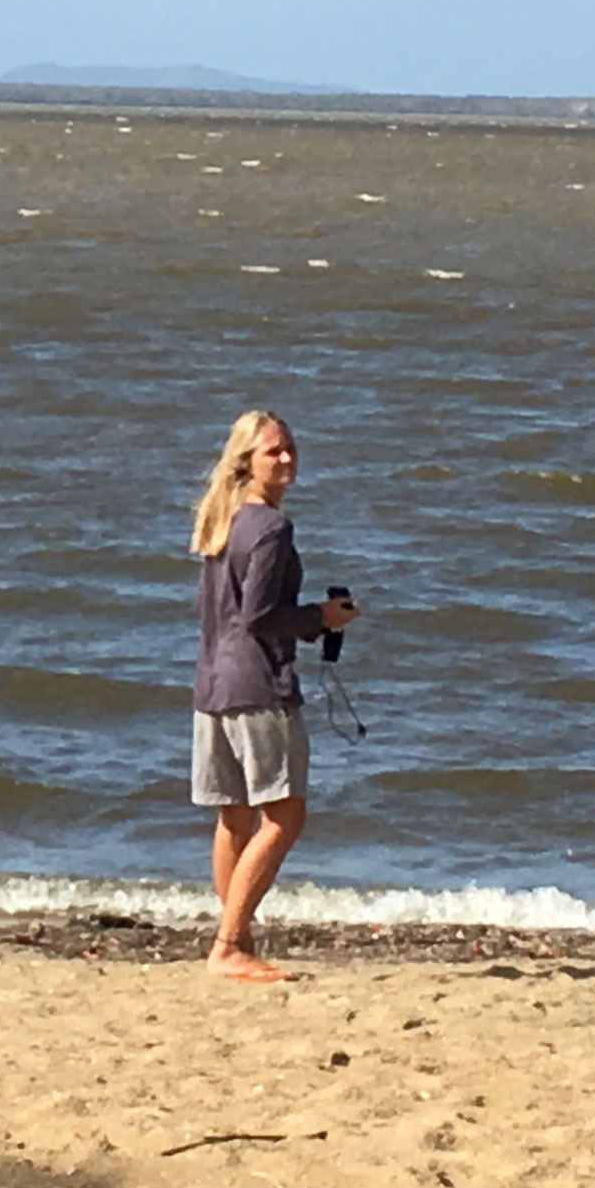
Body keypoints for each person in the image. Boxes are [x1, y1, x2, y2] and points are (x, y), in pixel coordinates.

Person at [188, 408, 355, 983]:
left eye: (290, 448)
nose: (286, 458)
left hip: (213, 683)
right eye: (273, 451)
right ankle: (229, 943)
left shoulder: (223, 518)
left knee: (235, 818)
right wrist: (321, 618)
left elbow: (225, 609)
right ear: (246, 462)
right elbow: (260, 616)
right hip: (257, 684)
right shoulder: (269, 528)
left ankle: (236, 940)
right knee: (284, 816)